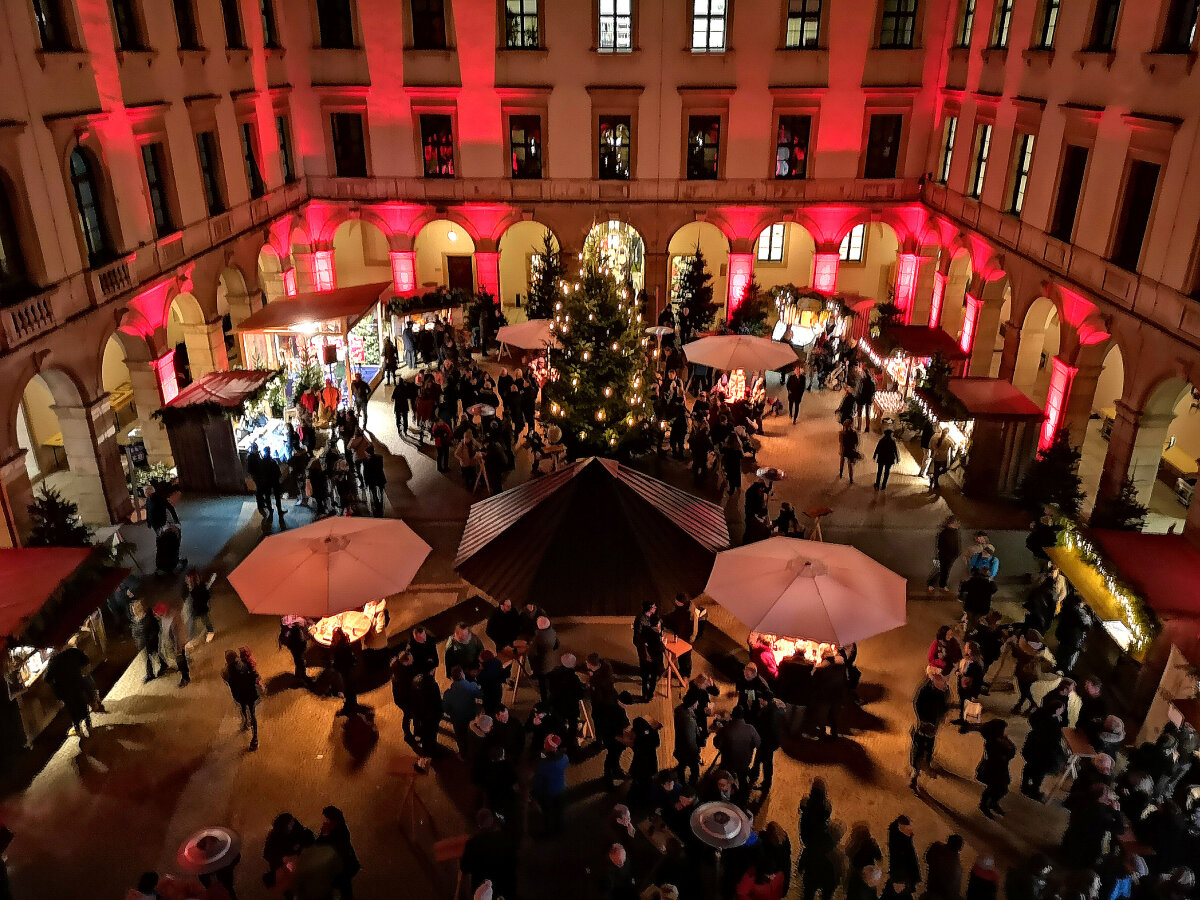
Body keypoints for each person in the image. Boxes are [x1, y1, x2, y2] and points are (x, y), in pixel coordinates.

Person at [45, 639, 97, 740]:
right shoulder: (72, 652)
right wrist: (78, 670)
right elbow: (86, 660)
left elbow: (47, 678)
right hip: (77, 683)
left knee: (72, 708)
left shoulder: (53, 662)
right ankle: (89, 725)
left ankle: (78, 729)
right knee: (82, 703)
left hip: (65, 690)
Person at [1021, 696, 1067, 801]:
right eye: (1062, 709)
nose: (1063, 711)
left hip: (1032, 745)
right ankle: (1034, 791)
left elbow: (1032, 721)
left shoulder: (1039, 714)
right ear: (1056, 710)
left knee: (1029, 766)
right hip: (1043, 752)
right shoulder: (1053, 724)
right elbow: (1055, 742)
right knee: (1039, 772)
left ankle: (1024, 786)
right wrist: (1062, 756)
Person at [714, 705, 761, 807]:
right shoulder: (751, 729)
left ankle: (725, 802)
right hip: (744, 763)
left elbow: (716, 744)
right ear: (743, 716)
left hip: (728, 763)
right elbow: (758, 744)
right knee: (743, 781)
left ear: (732, 716)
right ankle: (743, 802)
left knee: (725, 782)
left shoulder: (725, 729)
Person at [316, 806, 360, 900]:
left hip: (341, 866)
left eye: (326, 818)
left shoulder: (340, 832)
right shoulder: (330, 828)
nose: (324, 820)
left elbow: (337, 849)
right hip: (336, 867)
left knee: (344, 889)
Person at [975, 719, 1016, 818]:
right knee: (996, 788)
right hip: (994, 770)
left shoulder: (999, 740)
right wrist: (1007, 748)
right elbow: (1009, 753)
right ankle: (984, 805)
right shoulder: (993, 742)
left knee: (1001, 788)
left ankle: (992, 803)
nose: (1006, 731)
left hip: (1000, 769)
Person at [263, 812, 314, 891]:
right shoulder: (275, 837)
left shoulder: (304, 834)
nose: (291, 825)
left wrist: (296, 858)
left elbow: (311, 850)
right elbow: (267, 854)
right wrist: (283, 859)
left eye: (291, 823)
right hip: (285, 875)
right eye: (288, 824)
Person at [222, 649, 261, 751]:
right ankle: (255, 738)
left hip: (239, 695)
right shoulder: (245, 663)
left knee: (243, 708)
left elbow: (225, 679)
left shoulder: (227, 671)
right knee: (252, 713)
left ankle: (245, 723)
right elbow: (254, 676)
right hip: (250, 693)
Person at [533, 734, 569, 834]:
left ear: (547, 746)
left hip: (547, 792)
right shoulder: (564, 758)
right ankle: (560, 829)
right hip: (560, 788)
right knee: (559, 812)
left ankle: (549, 831)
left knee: (547, 813)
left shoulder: (542, 765)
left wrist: (535, 792)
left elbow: (538, 781)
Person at [444, 666, 483, 758]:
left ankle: (463, 755)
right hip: (470, 715)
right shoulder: (471, 686)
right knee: (470, 731)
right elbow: (481, 695)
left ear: (452, 678)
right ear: (462, 675)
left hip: (457, 719)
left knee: (460, 737)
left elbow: (446, 709)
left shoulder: (447, 693)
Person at [1009, 628, 1047, 714]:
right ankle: (1031, 705)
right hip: (1032, 673)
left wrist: (1013, 646)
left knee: (1024, 691)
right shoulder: (1041, 647)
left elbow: (1020, 655)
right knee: (1025, 691)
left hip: (1025, 672)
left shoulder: (1027, 647)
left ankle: (1019, 706)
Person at [155, 603, 190, 688]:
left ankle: (185, 678)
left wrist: (178, 648)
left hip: (178, 644)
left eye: (158, 614)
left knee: (180, 661)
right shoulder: (167, 616)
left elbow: (178, 634)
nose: (157, 616)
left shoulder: (172, 619)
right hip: (176, 644)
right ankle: (185, 672)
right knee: (182, 659)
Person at [953, 641, 985, 732]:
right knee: (962, 703)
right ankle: (961, 719)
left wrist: (975, 693)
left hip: (970, 688)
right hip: (963, 686)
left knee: (968, 706)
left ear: (971, 650)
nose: (965, 648)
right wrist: (958, 672)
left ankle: (966, 725)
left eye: (966, 647)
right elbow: (961, 670)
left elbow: (977, 679)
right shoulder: (966, 659)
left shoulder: (976, 663)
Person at [673, 692, 704, 786]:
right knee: (695, 770)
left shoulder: (680, 710)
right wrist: (696, 753)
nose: (698, 703)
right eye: (696, 702)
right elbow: (690, 738)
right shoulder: (689, 720)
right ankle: (689, 786)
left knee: (681, 765)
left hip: (680, 746)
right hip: (689, 750)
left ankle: (681, 781)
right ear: (692, 703)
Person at [924, 834, 964, 900]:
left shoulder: (936, 846)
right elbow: (953, 890)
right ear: (959, 848)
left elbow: (927, 858)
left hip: (931, 885)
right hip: (941, 894)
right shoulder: (955, 866)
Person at [529, 616, 559, 698]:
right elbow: (557, 645)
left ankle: (544, 700)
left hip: (542, 666)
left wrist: (532, 669)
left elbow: (532, 654)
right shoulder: (553, 632)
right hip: (552, 662)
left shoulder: (538, 638)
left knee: (542, 686)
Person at [887, 816, 920, 891]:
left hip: (900, 859)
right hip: (903, 860)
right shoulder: (899, 833)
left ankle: (910, 886)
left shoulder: (893, 829)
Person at [183, 568, 215, 643]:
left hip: (201, 608)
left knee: (205, 620)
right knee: (192, 622)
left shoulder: (199, 588)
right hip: (195, 609)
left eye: (188, 580)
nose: (186, 581)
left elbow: (206, 596)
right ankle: (191, 638)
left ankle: (210, 632)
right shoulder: (191, 588)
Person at [931, 516, 961, 592]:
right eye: (955, 523)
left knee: (944, 571)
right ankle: (935, 584)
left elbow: (956, 544)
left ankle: (940, 584)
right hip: (945, 555)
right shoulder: (945, 533)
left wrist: (956, 553)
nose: (956, 524)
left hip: (950, 555)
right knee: (942, 570)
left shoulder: (955, 532)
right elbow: (940, 545)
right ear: (950, 524)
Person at [362, 445, 386, 514]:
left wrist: (366, 482)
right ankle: (379, 504)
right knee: (379, 492)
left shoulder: (366, 461)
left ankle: (377, 505)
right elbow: (380, 468)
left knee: (375, 492)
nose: (365, 454)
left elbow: (365, 472)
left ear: (369, 453)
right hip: (378, 478)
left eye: (366, 452)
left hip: (373, 479)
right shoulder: (379, 457)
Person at [838, 419, 860, 483]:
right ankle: (851, 479)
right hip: (851, 449)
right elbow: (856, 442)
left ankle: (841, 473)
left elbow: (841, 443)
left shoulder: (842, 433)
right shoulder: (854, 433)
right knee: (850, 465)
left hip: (845, 449)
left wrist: (841, 450)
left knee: (842, 462)